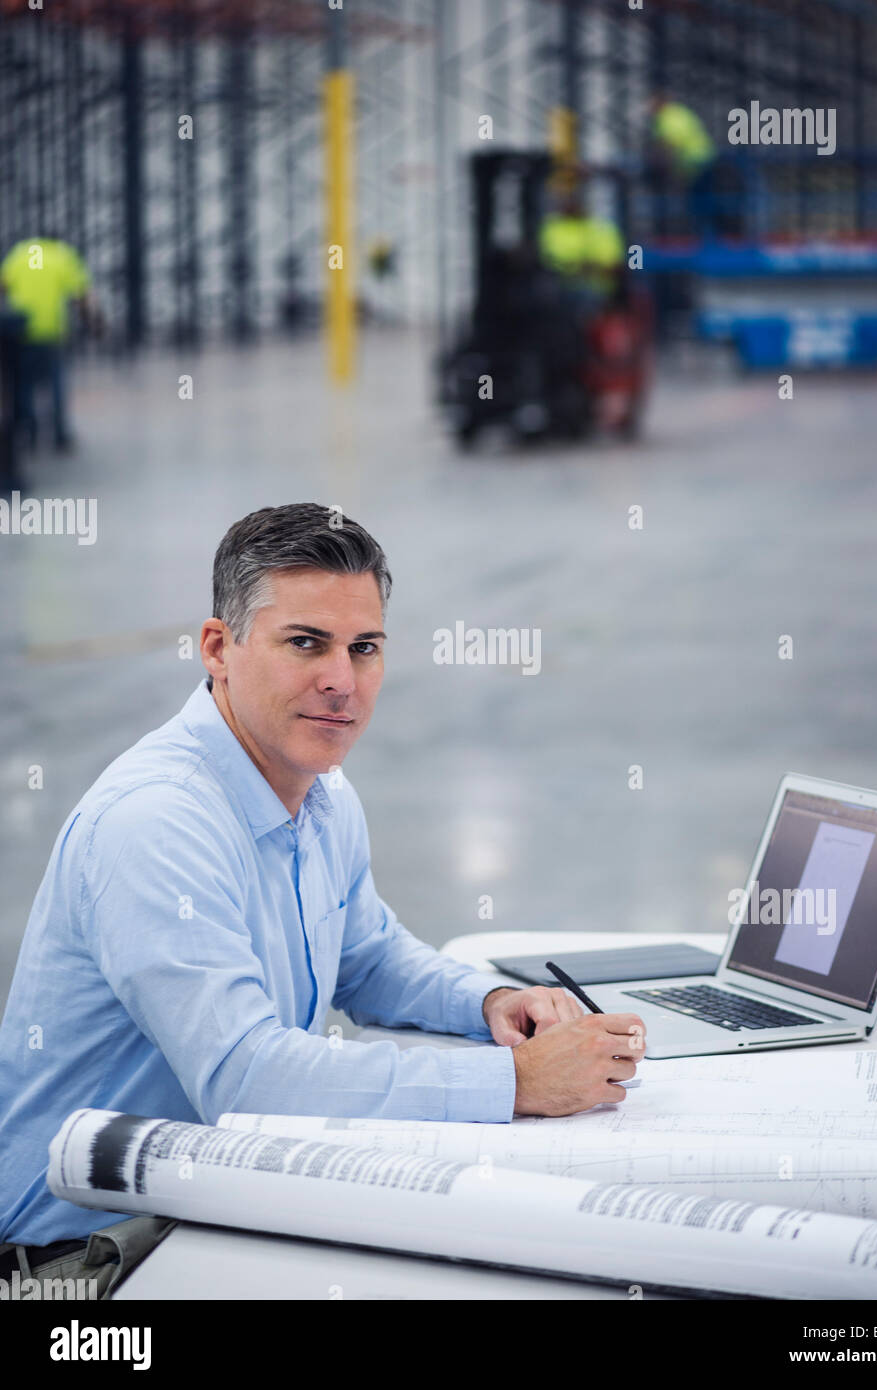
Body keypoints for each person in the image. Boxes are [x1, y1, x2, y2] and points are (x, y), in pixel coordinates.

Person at [0, 504, 645, 1279]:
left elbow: (366, 957)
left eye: (363, 648)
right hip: (88, 1254)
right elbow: (249, 1076)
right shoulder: (157, 824)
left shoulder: (318, 790)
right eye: (306, 643)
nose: (341, 681)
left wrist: (485, 1005)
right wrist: (515, 1082)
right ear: (219, 649)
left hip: (214, 1195)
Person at [0, 234, 97, 451]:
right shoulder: (62, 256)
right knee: (56, 382)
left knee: (23, 381)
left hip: (21, 330)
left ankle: (28, 431)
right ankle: (59, 433)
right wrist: (93, 325)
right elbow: (82, 295)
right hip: (51, 331)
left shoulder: (19, 255)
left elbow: (2, 287)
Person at [645, 94, 717, 237]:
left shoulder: (667, 119)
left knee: (698, 201)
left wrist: (668, 170)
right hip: (703, 157)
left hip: (694, 161)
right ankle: (707, 234)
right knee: (703, 200)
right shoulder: (679, 112)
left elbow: (669, 145)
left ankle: (703, 234)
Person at [538, 187, 626, 304]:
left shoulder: (603, 227)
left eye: (578, 199)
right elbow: (550, 260)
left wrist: (593, 267)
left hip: (601, 291)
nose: (574, 203)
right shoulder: (552, 227)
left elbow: (616, 262)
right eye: (569, 199)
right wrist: (582, 266)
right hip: (565, 289)